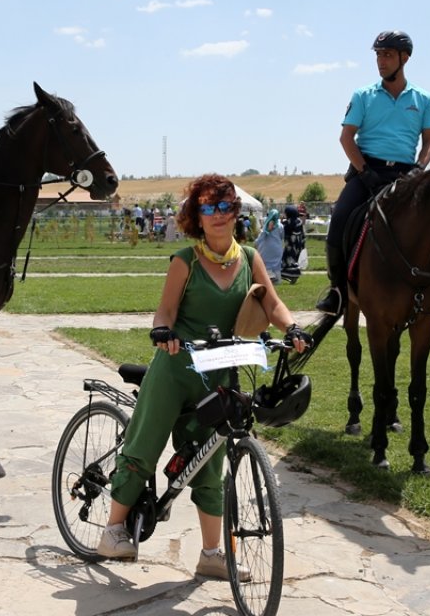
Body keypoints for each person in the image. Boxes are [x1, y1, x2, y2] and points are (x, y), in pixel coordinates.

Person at [95, 173, 310, 580]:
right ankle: (112, 531)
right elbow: (165, 313)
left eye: (224, 206)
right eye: (207, 207)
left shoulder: (249, 258)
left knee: (210, 463)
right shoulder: (185, 261)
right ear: (197, 215)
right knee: (143, 447)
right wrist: (163, 332)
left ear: (235, 212)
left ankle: (212, 554)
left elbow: (274, 303)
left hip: (221, 371)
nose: (217, 215)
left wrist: (293, 329)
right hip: (176, 369)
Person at [318, 30, 430, 315]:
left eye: (388, 55)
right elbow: (346, 138)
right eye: (378, 55)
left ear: (404, 58)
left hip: (407, 176)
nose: (381, 61)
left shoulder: (423, 98)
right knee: (339, 220)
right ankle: (337, 291)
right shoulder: (363, 96)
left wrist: (419, 170)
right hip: (367, 171)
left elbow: (429, 141)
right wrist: (364, 171)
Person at [254, 208, 283, 283]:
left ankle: (268, 278)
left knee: (265, 264)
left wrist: (256, 242)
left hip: (265, 248)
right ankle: (277, 279)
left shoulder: (265, 225)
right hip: (277, 247)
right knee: (276, 265)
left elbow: (261, 236)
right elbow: (282, 236)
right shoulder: (280, 226)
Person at [280, 205, 306, 284]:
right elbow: (302, 234)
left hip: (290, 246)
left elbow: (283, 229)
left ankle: (289, 275)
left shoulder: (288, 222)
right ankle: (293, 276)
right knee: (294, 260)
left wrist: (281, 220)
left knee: (287, 260)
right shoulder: (299, 221)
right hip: (298, 246)